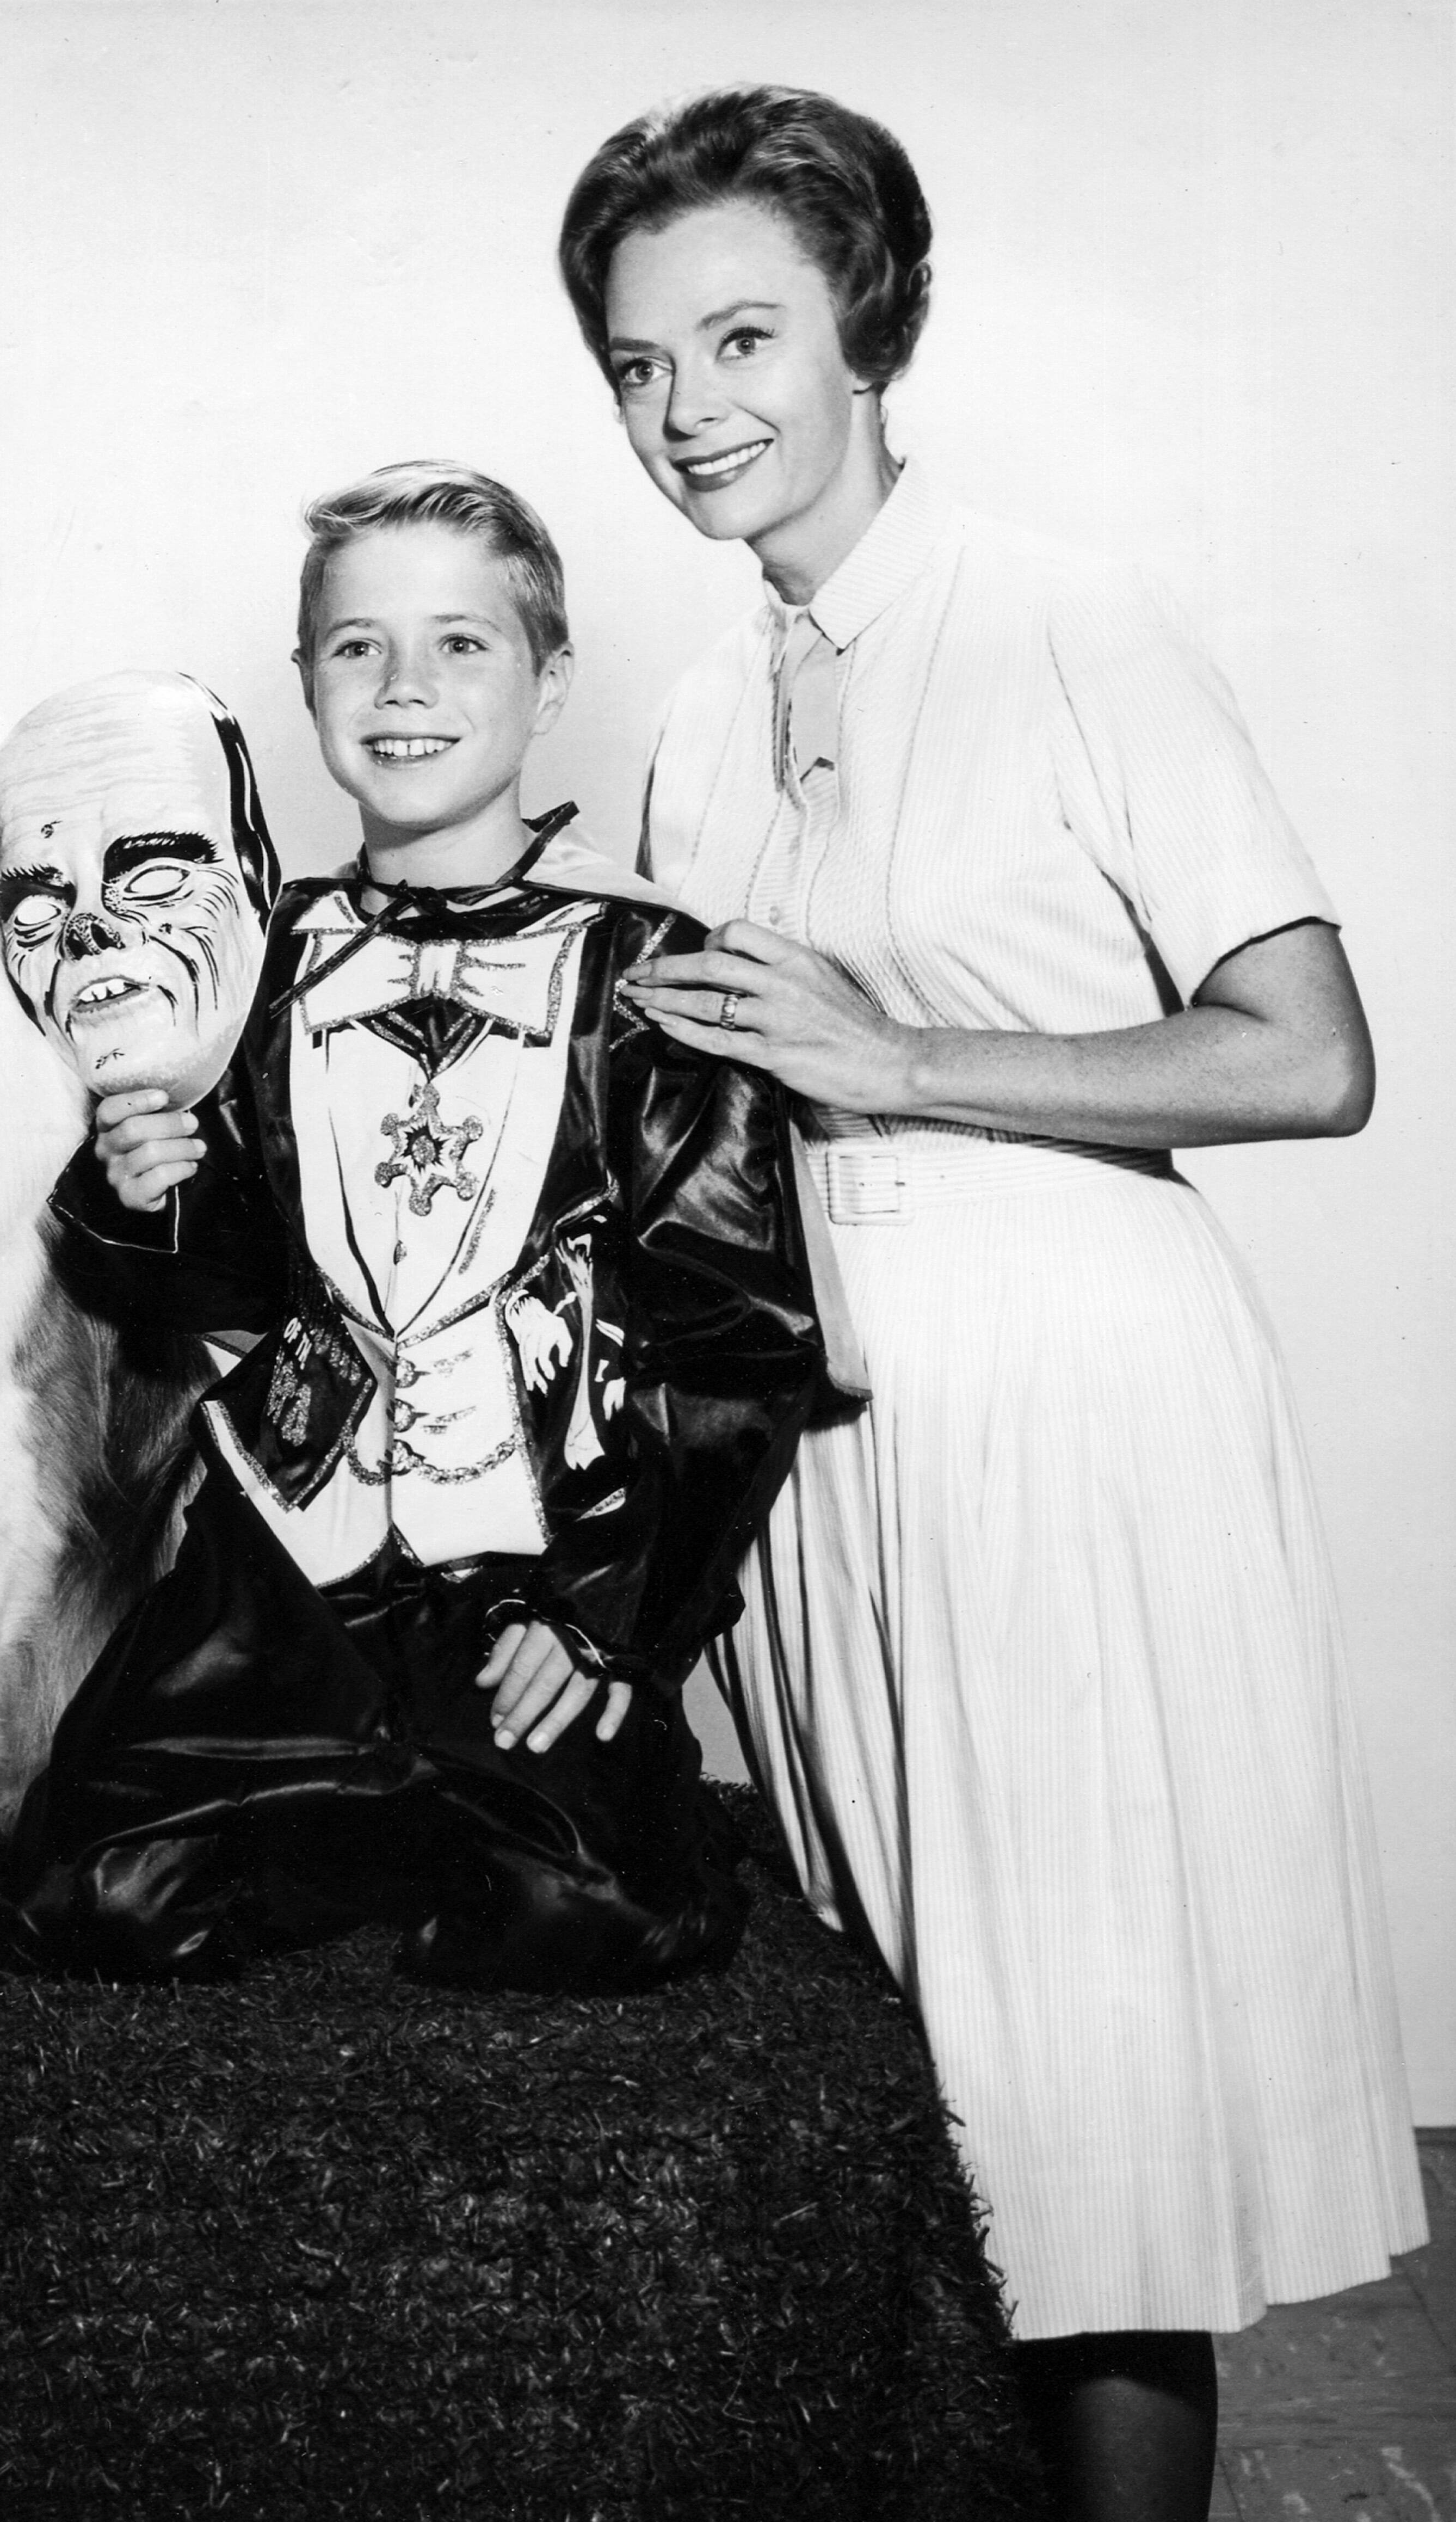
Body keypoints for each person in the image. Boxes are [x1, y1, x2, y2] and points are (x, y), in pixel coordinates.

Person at [556, 83, 1427, 2520]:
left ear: (870, 325)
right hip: (820, 1449)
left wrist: (903, 1055)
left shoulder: (1066, 617)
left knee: (1082, 2150)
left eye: (741, 337)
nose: (686, 406)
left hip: (1070, 1422)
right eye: (637, 364)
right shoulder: (701, 713)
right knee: (907, 2119)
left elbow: (1310, 1054)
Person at [0, 462, 828, 1994]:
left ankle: (460, 1799)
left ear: (548, 681)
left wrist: (609, 1619)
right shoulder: (248, 958)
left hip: (528, 1567)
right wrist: (134, 1192)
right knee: (80, 1898)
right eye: (358, 647)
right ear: (307, 680)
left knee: (593, 1918)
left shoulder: (650, 972)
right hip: (282, 1575)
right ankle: (367, 1804)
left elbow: (735, 1343)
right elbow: (223, 1284)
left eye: (460, 644)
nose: (404, 687)